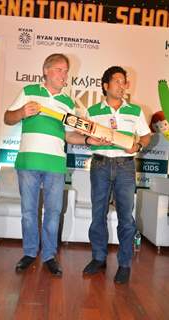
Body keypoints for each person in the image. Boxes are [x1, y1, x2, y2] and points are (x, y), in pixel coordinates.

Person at [4, 53, 99, 276]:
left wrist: (87, 139)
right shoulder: (29, 91)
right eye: (59, 69)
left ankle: (48, 256)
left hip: (55, 164)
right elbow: (8, 118)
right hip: (28, 162)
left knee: (54, 212)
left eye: (66, 71)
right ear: (46, 70)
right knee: (29, 212)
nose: (64, 75)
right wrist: (21, 112)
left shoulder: (68, 102)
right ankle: (29, 252)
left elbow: (69, 136)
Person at [83, 66, 151, 284]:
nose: (122, 86)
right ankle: (99, 258)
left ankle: (124, 264)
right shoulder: (92, 111)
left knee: (126, 218)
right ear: (106, 85)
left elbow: (147, 136)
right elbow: (81, 134)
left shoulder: (135, 111)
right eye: (118, 81)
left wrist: (139, 145)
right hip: (100, 165)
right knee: (98, 214)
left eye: (124, 82)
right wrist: (89, 139)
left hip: (125, 167)